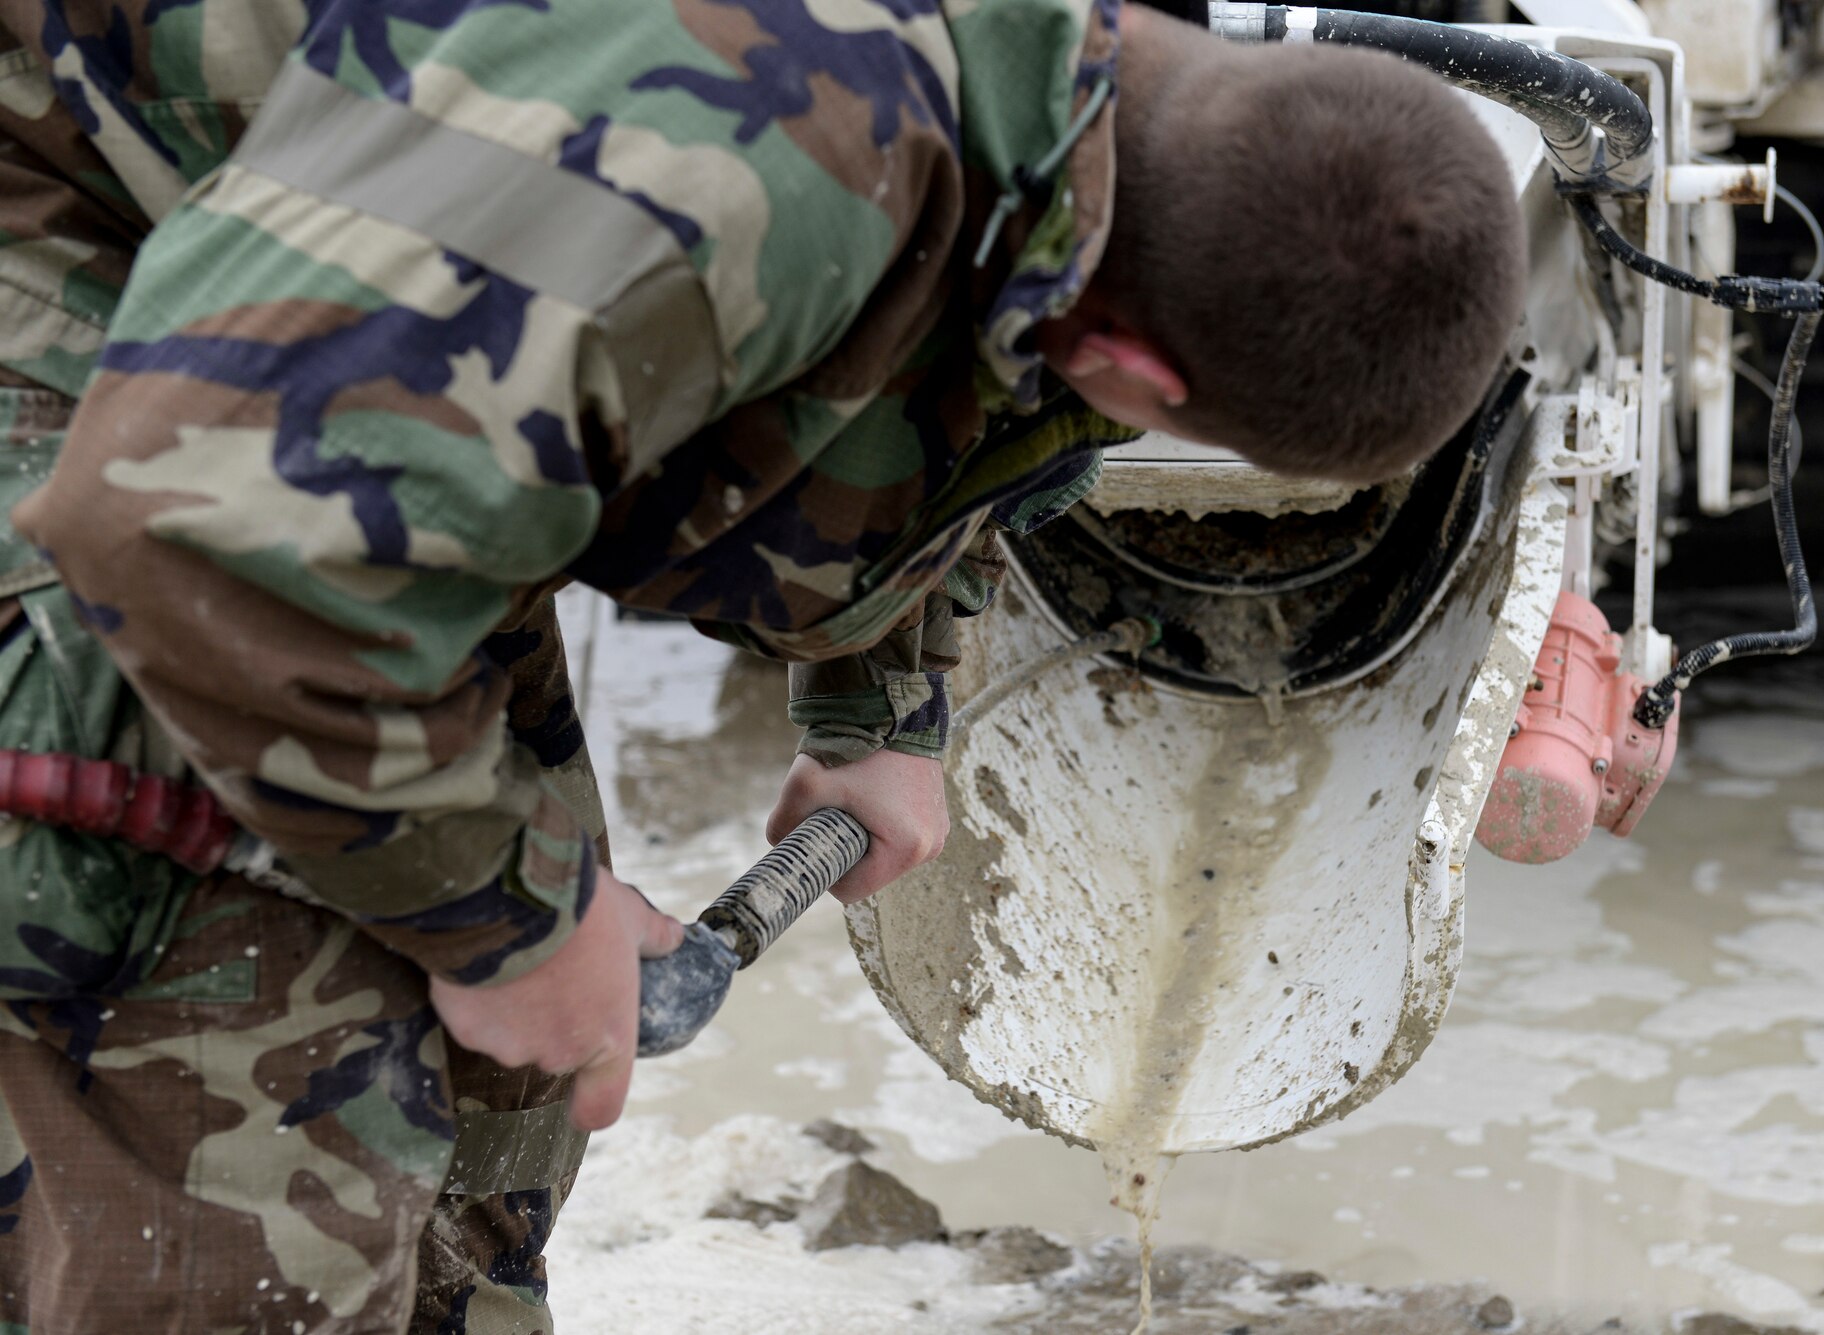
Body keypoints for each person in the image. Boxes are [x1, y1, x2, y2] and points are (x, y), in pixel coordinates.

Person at [0, 0, 1527, 1326]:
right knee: (268, 1071)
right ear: (1140, 375)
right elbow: (208, 539)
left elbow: (957, 335)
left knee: (497, 1057)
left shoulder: (1076, 100)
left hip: (346, 330)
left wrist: (886, 698)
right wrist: (505, 927)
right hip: (89, 259)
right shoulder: (731, 163)